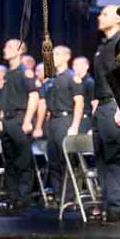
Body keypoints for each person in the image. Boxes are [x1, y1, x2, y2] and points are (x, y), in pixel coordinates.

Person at [92, 5, 120, 222]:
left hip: (115, 105)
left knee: (116, 158)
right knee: (101, 157)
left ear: (117, 20)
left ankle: (117, 208)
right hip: (102, 106)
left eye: (104, 14)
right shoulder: (102, 46)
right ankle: (107, 204)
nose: (100, 17)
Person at [34, 46, 84, 200]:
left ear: (66, 57)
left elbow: (79, 102)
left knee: (66, 160)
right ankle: (57, 194)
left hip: (65, 119)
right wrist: (40, 125)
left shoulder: (72, 77)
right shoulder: (50, 79)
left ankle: (67, 196)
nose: (52, 57)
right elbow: (43, 103)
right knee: (53, 160)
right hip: (53, 122)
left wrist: (74, 126)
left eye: (56, 54)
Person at [0, 39, 39, 210]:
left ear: (19, 50)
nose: (4, 49)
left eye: (8, 47)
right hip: (7, 121)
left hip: (19, 119)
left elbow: (34, 96)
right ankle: (12, 196)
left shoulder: (25, 72)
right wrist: (1, 118)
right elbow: (5, 98)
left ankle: (24, 197)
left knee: (23, 160)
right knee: (9, 161)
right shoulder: (8, 73)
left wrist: (27, 120)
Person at [72, 56, 95, 133]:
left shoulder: (89, 82)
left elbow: (95, 104)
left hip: (86, 119)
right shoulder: (74, 82)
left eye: (77, 65)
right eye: (73, 65)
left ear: (86, 66)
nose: (74, 68)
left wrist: (93, 126)